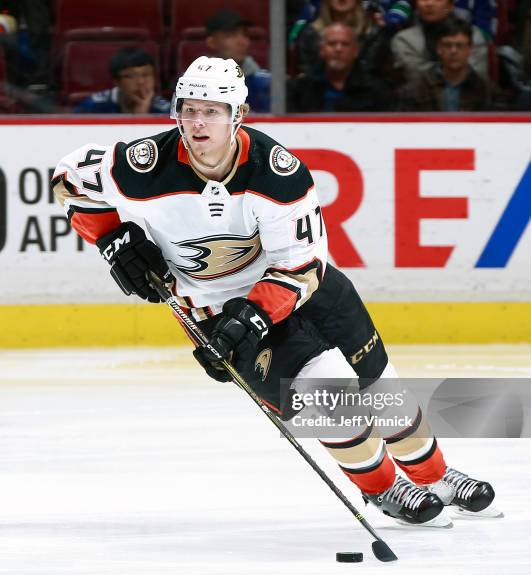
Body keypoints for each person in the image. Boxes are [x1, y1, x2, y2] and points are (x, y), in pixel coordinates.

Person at [52, 56, 499, 527]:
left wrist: (254, 316)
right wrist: (111, 239)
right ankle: (385, 488)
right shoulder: (142, 166)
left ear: (237, 115)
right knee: (335, 402)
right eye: (189, 109)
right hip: (214, 311)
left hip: (304, 290)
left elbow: (300, 266)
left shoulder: (276, 173)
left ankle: (434, 476)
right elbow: (68, 180)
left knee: (383, 393)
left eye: (213, 111)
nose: (198, 122)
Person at [288, 23, 394, 111]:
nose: (338, 49)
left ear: (356, 51)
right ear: (321, 50)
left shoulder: (377, 90)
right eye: (332, 44)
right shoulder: (300, 89)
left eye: (345, 44)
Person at [400, 17, 493, 110]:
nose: (453, 51)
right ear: (438, 48)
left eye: (460, 45)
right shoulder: (416, 89)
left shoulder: (486, 90)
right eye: (447, 45)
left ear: (470, 49)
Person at [391, 0, 488, 81]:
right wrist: (453, 70)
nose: (429, 3)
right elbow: (415, 77)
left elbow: (475, 75)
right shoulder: (404, 39)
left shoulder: (473, 35)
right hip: (420, 99)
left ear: (450, 6)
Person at [205, 8, 270, 113]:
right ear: (211, 42)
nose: (242, 42)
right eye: (230, 36)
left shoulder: (264, 83)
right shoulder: (195, 81)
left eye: (245, 35)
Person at [74, 47, 170, 114]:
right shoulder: (94, 105)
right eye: (131, 76)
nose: (140, 82)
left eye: (146, 75)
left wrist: (142, 115)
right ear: (117, 81)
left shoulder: (165, 110)